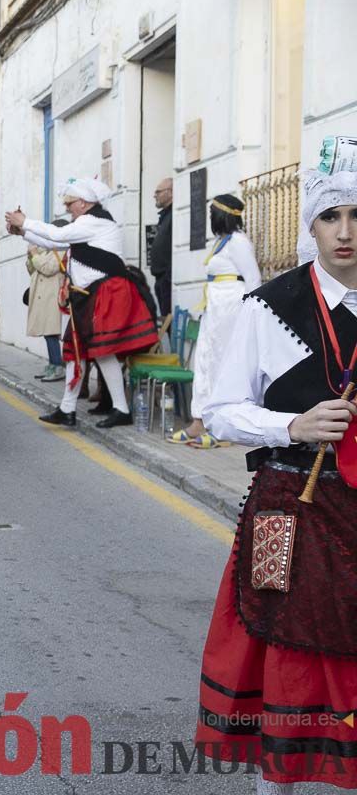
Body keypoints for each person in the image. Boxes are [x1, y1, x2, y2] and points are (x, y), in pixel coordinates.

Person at [194, 164, 357, 794]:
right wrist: (293, 425)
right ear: (310, 225)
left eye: (356, 216)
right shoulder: (268, 307)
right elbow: (219, 412)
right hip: (288, 505)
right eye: (330, 217)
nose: (344, 232)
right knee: (282, 658)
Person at [6, 178, 159, 429]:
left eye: (70, 203)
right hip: (90, 296)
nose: (67, 208)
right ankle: (70, 408)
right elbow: (54, 242)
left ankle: (118, 409)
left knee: (103, 352)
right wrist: (23, 232)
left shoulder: (93, 222)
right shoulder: (88, 223)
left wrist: (26, 222)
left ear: (84, 203)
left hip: (104, 294)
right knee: (77, 353)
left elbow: (57, 234)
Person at [168, 194, 262, 448]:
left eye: (212, 213)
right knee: (205, 360)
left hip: (231, 307)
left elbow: (253, 280)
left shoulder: (239, 242)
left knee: (222, 364)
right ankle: (199, 420)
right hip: (216, 306)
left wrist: (247, 317)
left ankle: (221, 429)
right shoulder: (223, 241)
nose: (210, 218)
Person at [25, 219, 69, 383]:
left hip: (52, 296)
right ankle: (52, 364)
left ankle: (58, 366)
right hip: (42, 296)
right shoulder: (46, 249)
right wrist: (31, 257)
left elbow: (48, 268)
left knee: (51, 332)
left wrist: (35, 255)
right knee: (46, 332)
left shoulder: (62, 250)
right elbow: (31, 269)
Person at [150, 177, 174, 317]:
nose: (155, 195)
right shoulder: (165, 215)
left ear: (170, 192)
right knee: (165, 318)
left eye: (158, 192)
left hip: (167, 278)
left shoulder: (174, 214)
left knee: (169, 320)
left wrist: (168, 277)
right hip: (161, 278)